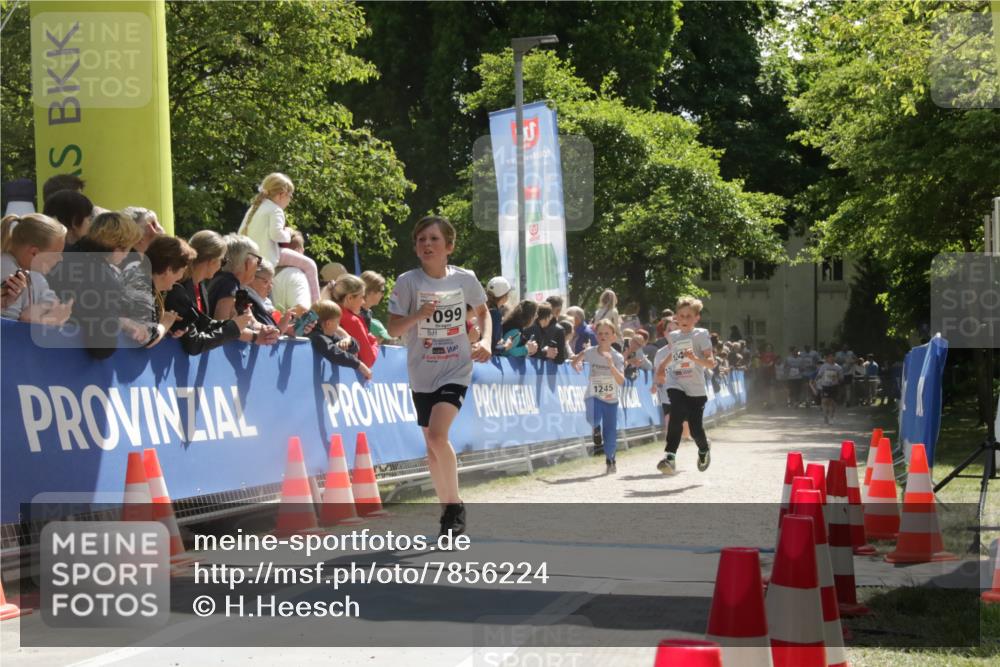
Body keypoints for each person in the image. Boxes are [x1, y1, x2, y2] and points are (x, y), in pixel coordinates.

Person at [387, 215, 491, 537]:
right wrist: (418, 316)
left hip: (456, 367)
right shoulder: (407, 282)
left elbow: (484, 311)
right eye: (421, 240)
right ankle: (447, 507)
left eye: (433, 239)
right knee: (431, 447)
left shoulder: (464, 279)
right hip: (421, 371)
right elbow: (392, 329)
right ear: (416, 249)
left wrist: (485, 340)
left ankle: (454, 506)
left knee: (436, 436)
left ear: (449, 246)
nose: (427, 244)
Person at [47, 211, 143, 358]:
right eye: (129, 248)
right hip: (70, 364)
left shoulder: (60, 258)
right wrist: (119, 323)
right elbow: (103, 346)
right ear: (118, 249)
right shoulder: (105, 279)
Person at [164, 230, 256, 354]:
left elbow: (204, 325)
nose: (221, 267)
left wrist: (235, 323)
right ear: (212, 261)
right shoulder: (179, 288)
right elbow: (194, 344)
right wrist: (233, 327)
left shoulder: (200, 286)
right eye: (222, 261)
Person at [655, 296, 716, 475]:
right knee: (676, 416)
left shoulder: (701, 335)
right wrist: (661, 368)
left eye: (689, 316)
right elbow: (673, 354)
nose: (684, 320)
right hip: (676, 382)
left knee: (696, 429)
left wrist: (695, 358)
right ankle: (670, 457)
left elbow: (711, 363)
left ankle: (704, 449)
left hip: (696, 389)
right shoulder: (673, 336)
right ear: (676, 317)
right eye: (681, 316)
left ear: (697, 317)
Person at [237, 173, 320, 302]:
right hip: (268, 256)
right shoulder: (276, 210)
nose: (290, 200)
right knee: (310, 265)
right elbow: (276, 235)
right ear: (281, 194)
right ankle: (317, 305)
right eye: (290, 196)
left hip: (252, 257)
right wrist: (288, 232)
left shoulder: (254, 208)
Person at [571, 319, 625, 474]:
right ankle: (595, 429)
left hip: (610, 399)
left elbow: (621, 380)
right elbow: (576, 360)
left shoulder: (617, 357)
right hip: (593, 395)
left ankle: (610, 459)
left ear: (613, 337)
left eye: (607, 333)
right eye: (600, 333)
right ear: (596, 335)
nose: (603, 336)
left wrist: (611, 365)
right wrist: (576, 364)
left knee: (610, 432)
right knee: (592, 418)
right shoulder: (590, 352)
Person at [206, 234, 280, 344]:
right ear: (248, 262)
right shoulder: (228, 283)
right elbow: (221, 327)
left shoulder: (236, 286)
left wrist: (269, 331)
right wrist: (255, 337)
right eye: (258, 261)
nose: (258, 267)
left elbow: (252, 323)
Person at [1, 213, 73, 325]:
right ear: (34, 253)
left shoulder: (35, 274)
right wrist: (45, 319)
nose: (60, 259)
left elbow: (51, 300)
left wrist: (37, 311)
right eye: (56, 254)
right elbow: (8, 328)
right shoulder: (7, 270)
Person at [138, 235, 196, 348]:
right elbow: (147, 340)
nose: (181, 277)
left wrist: (169, 326)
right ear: (168, 269)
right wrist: (165, 324)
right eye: (182, 271)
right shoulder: (141, 286)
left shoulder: (148, 285)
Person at [308, 300, 372, 380]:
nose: (338, 326)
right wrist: (359, 365)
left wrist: (349, 341)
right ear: (328, 323)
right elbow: (334, 353)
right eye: (337, 322)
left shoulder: (329, 334)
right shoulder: (317, 336)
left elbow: (356, 348)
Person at [333, 273, 379, 369]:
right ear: (349, 298)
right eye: (361, 297)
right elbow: (368, 361)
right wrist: (374, 341)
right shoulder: (352, 321)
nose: (363, 302)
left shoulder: (326, 311)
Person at [271, 230, 312, 313]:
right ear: (298, 251)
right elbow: (302, 310)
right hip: (285, 325)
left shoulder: (264, 272)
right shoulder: (297, 275)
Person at [814, 351, 844, 424]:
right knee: (824, 401)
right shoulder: (824, 366)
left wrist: (838, 378)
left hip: (834, 386)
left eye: (833, 357)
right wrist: (815, 380)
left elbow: (841, 378)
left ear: (835, 358)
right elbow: (819, 375)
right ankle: (825, 416)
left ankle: (832, 416)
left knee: (832, 402)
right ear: (827, 358)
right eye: (830, 357)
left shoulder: (838, 367)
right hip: (825, 386)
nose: (831, 358)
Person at [486, 276, 512, 353]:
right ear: (504, 296)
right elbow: (492, 348)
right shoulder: (495, 315)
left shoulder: (484, 309)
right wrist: (505, 346)